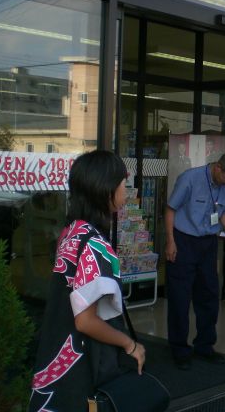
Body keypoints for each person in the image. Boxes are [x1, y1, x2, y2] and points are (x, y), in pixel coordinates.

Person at [29, 150, 146, 411]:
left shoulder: (72, 230)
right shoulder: (95, 244)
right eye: (123, 183)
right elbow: (85, 320)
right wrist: (130, 344)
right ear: (105, 190)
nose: (126, 191)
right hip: (81, 364)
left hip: (56, 348)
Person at [164, 149, 225, 370]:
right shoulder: (190, 178)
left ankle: (205, 345)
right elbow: (170, 210)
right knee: (180, 297)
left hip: (208, 243)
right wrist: (170, 242)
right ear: (218, 167)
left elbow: (224, 214)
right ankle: (179, 349)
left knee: (209, 294)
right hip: (183, 240)